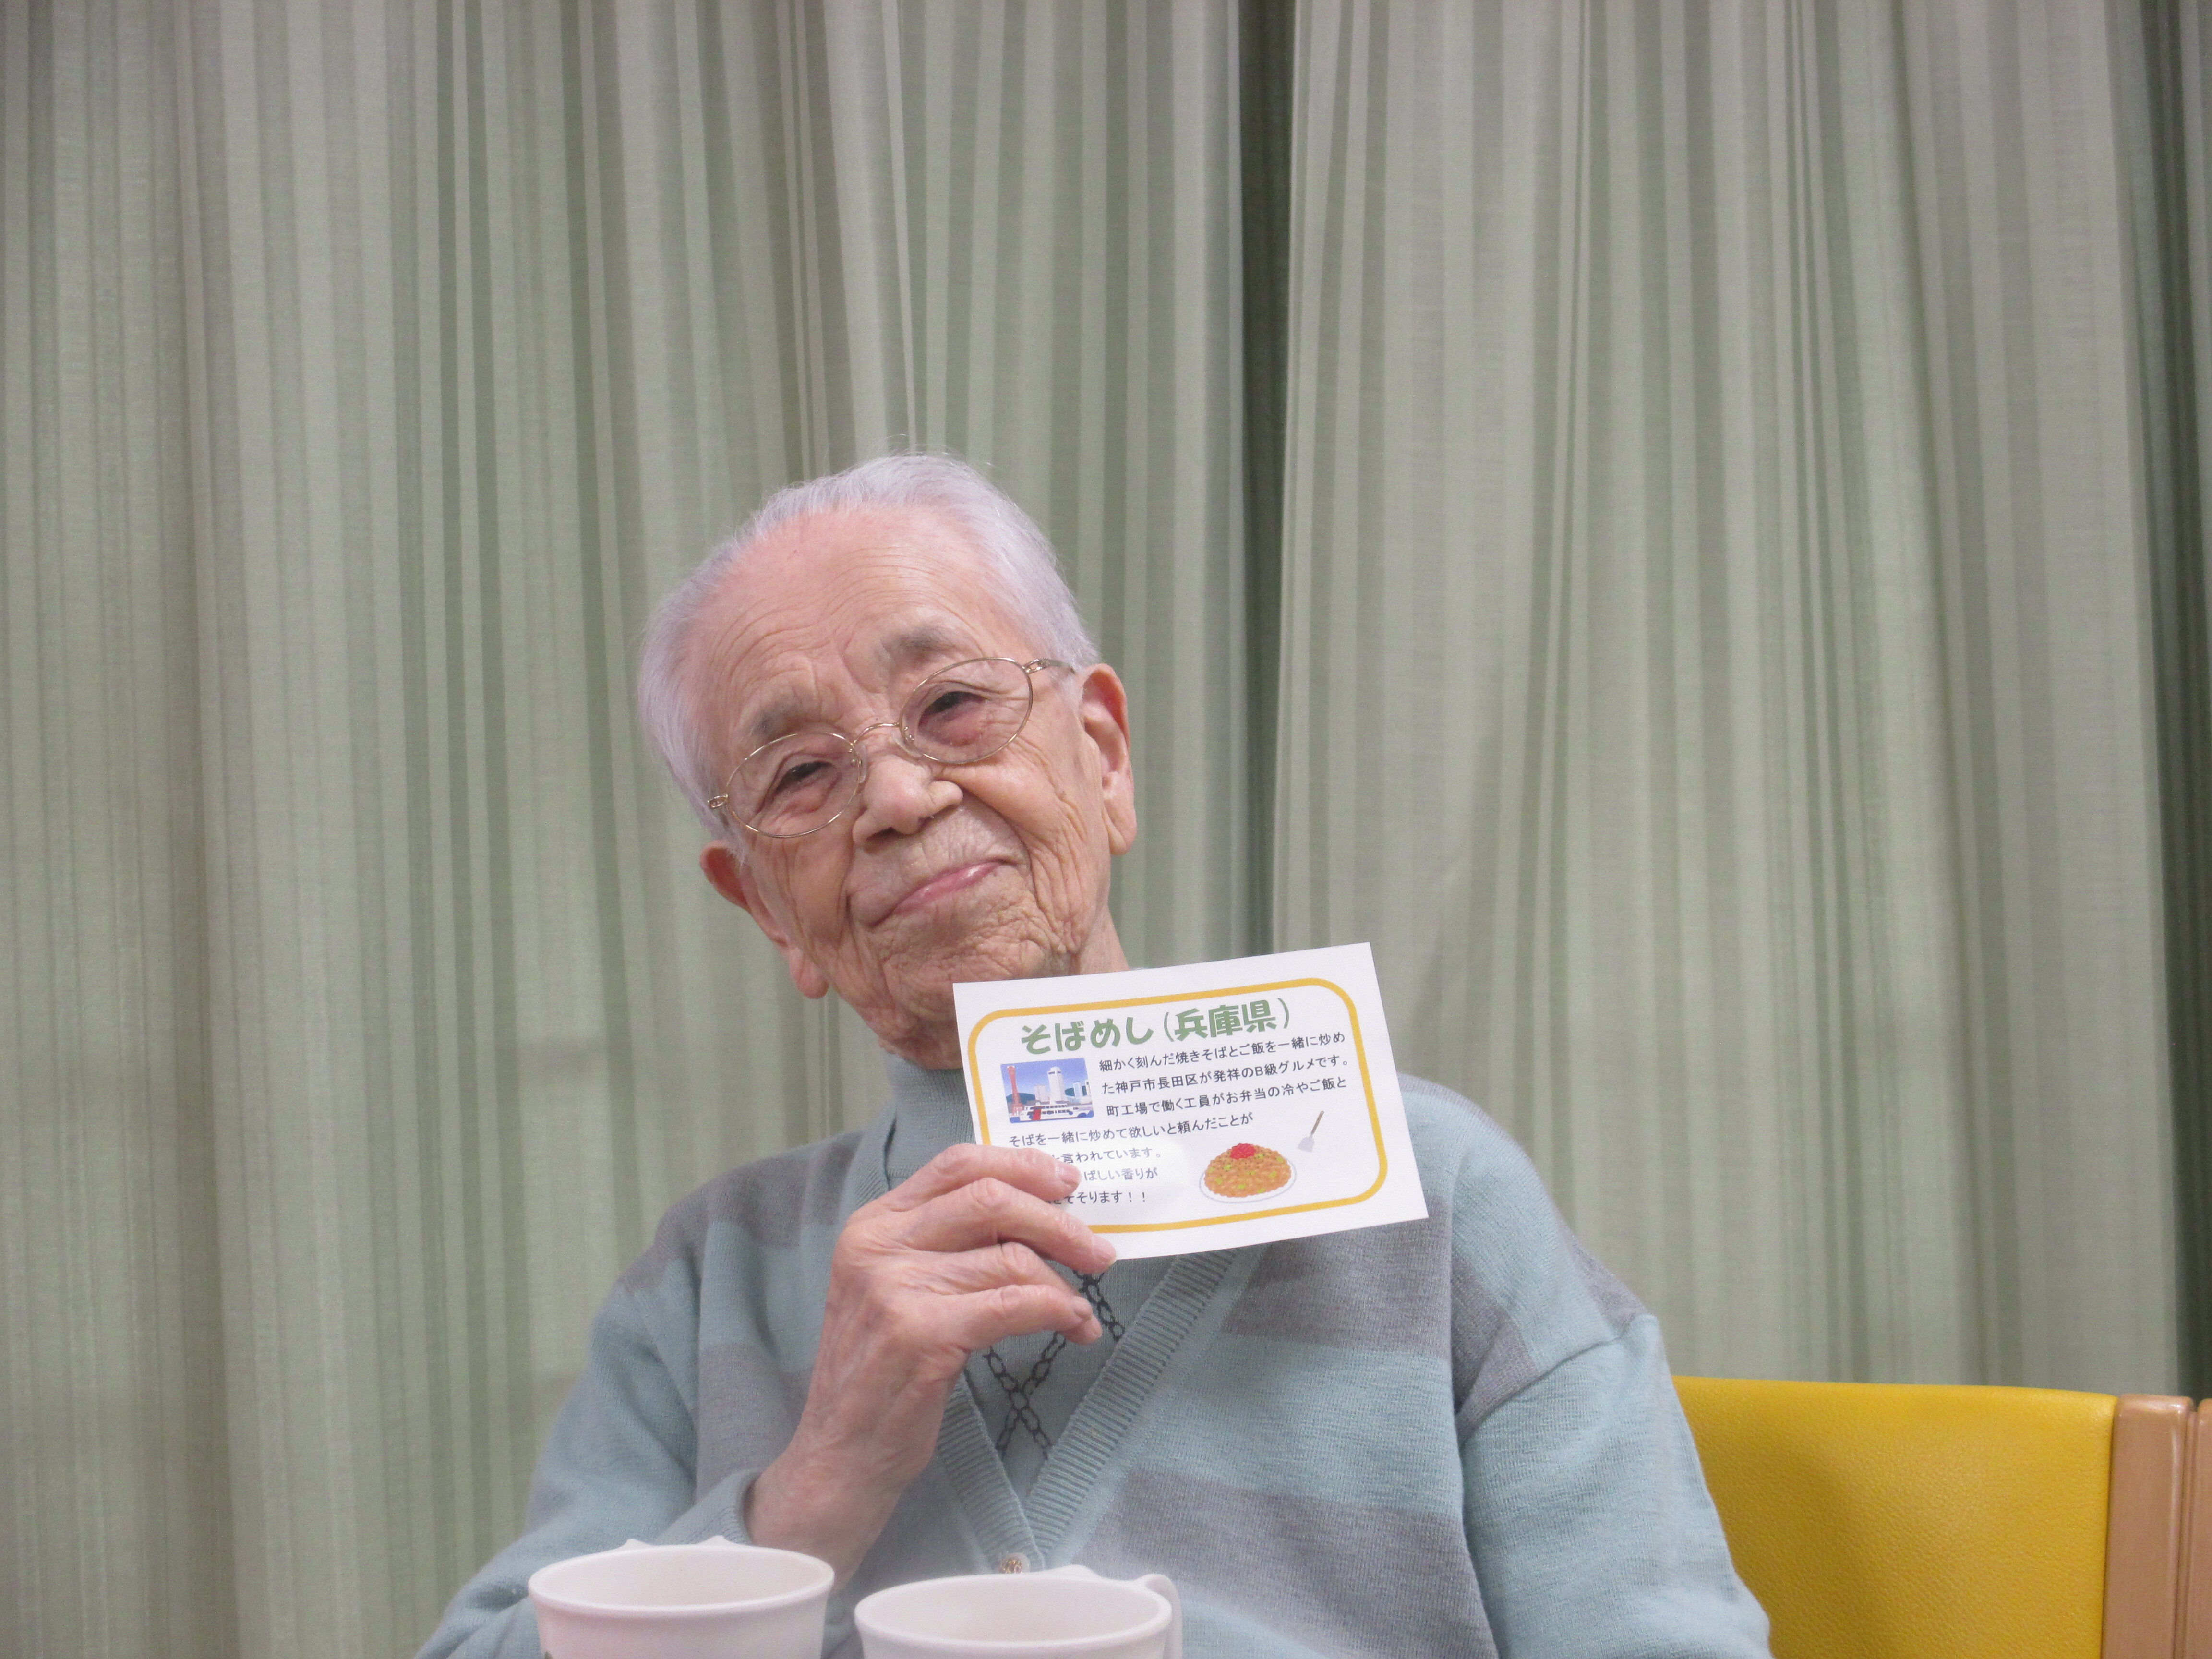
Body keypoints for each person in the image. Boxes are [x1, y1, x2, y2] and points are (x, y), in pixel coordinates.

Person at [419, 454, 1771, 1659]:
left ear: (1104, 758)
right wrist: (811, 1493)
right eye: (802, 777)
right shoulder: (706, 1283)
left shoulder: (1435, 1192)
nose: (898, 797)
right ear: (769, 909)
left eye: (953, 703)